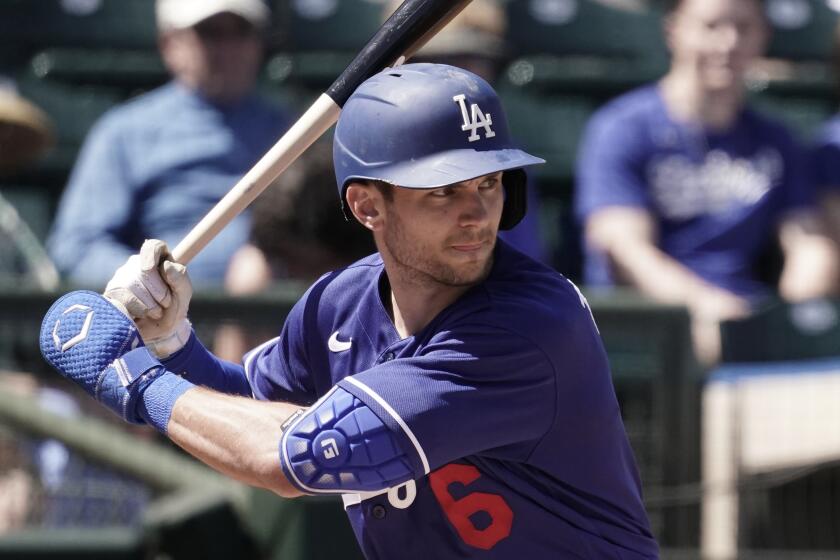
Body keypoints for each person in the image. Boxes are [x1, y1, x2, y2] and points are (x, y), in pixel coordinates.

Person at [43, 64, 659, 558]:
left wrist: (132, 378)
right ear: (368, 206)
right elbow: (246, 412)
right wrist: (174, 345)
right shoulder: (340, 304)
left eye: (489, 183)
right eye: (443, 190)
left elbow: (290, 456)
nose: (477, 214)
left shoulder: (527, 327)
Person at [575, 0, 838, 364]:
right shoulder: (623, 128)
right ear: (674, 30)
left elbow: (809, 243)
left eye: (744, 29)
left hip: (745, 317)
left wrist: (788, 317)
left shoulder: (776, 139)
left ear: (764, 37)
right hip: (650, 321)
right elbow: (625, 251)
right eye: (711, 26)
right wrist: (706, 308)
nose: (728, 43)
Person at [46, 0, 290, 287]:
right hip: (162, 316)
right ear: (169, 44)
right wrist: (151, 285)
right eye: (210, 33)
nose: (228, 48)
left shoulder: (294, 129)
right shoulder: (125, 131)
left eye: (241, 32)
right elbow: (77, 247)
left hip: (277, 311)